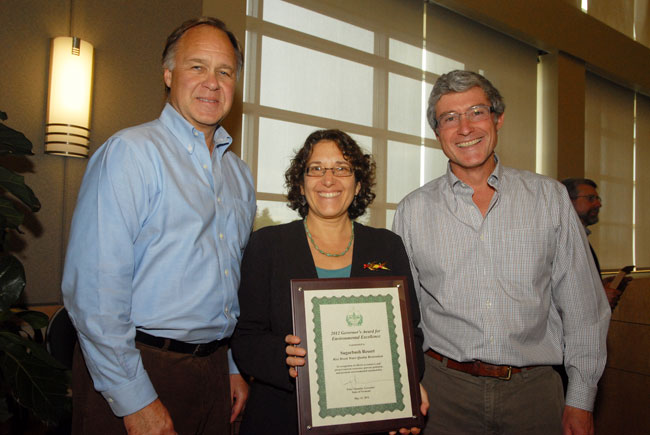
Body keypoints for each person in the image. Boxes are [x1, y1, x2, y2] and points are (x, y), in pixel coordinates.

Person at [62, 17, 255, 434]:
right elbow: (94, 292)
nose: (213, 82)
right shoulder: (130, 154)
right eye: (197, 66)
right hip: (139, 367)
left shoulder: (239, 175)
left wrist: (232, 364)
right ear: (168, 75)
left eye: (225, 71)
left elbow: (230, 283)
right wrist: (135, 399)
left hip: (213, 370)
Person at [392, 70, 610, 435]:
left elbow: (583, 308)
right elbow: (402, 317)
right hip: (444, 395)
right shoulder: (412, 210)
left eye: (476, 112)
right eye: (450, 118)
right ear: (437, 133)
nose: (464, 128)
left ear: (498, 118)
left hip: (534, 394)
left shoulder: (549, 198)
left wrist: (581, 398)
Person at [231, 129, 428, 435]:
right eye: (316, 169)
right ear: (301, 182)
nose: (328, 179)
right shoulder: (267, 245)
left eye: (342, 168)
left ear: (358, 182)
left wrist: (407, 387)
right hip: (282, 417)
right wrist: (284, 358)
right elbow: (244, 337)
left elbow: (409, 335)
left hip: (369, 419)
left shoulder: (387, 246)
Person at [562, 177, 629, 309]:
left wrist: (599, 284)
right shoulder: (562, 238)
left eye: (598, 199)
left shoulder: (580, 236)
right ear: (569, 201)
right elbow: (557, 292)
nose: (598, 204)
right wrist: (599, 297)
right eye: (590, 198)